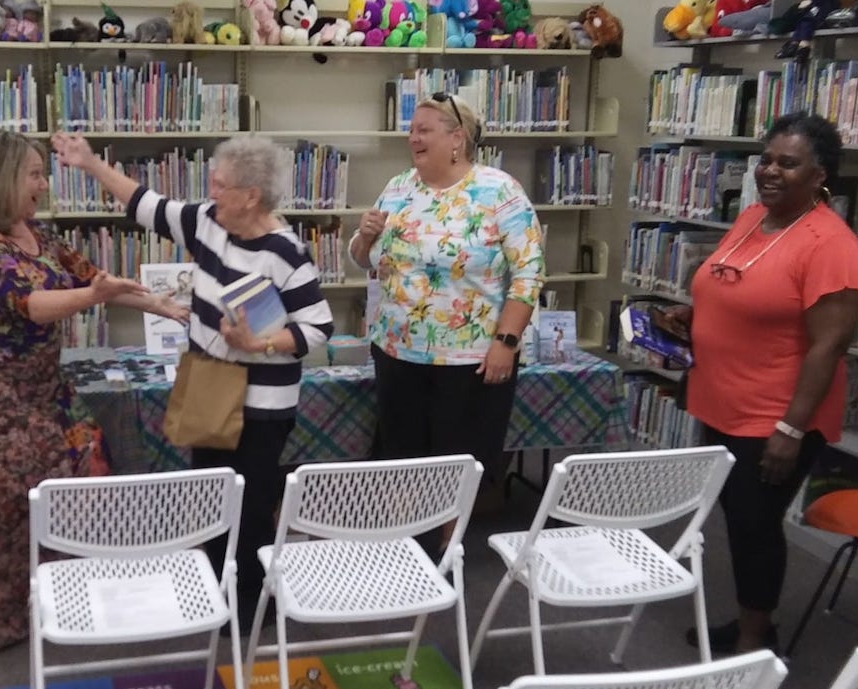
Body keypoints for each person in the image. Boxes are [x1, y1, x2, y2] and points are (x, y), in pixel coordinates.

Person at [51, 132, 334, 633]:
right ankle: (215, 590)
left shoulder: (287, 252)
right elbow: (144, 204)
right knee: (211, 496)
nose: (210, 191)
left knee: (248, 503)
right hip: (208, 384)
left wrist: (261, 344)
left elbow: (317, 328)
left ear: (251, 195)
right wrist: (90, 163)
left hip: (263, 403)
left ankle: (249, 609)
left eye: (220, 185)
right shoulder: (206, 222)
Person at [0, 129, 189, 652]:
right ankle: (4, 623)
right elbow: (31, 303)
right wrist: (92, 295)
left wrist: (162, 306)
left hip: (43, 390)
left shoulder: (38, 235)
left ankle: (59, 599)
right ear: (3, 176)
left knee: (68, 489)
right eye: (34, 174)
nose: (44, 185)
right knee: (0, 512)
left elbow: (97, 278)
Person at [661, 113, 858, 655]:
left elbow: (829, 345)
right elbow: (734, 286)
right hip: (722, 399)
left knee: (756, 524)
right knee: (737, 517)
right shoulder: (755, 218)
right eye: (767, 159)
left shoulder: (831, 244)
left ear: (820, 174)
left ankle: (758, 640)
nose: (770, 171)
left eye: (788, 162)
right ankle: (749, 618)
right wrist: (694, 314)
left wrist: (791, 428)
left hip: (775, 414)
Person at [349, 93, 544, 549]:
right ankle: (404, 546)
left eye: (424, 129)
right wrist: (365, 238)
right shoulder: (399, 188)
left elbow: (529, 272)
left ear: (457, 138)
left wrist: (507, 341)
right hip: (397, 350)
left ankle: (446, 552)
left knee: (457, 462)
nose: (412, 137)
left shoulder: (499, 192)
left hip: (470, 359)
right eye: (411, 129)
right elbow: (366, 261)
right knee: (403, 457)